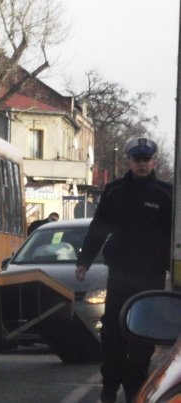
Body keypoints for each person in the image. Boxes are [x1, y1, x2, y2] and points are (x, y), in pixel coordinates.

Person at [74, 136, 172, 403]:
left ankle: (136, 387)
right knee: (113, 331)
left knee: (143, 334)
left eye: (147, 160)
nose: (142, 165)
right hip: (120, 272)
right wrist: (84, 261)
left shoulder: (167, 195)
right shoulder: (115, 191)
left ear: (154, 162)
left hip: (151, 274)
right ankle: (109, 385)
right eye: (137, 160)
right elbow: (99, 227)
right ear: (128, 161)